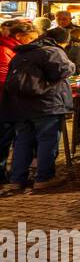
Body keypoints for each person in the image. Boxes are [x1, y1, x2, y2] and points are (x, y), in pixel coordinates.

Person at [1, 21, 74, 193]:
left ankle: (16, 180)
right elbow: (65, 70)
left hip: (21, 107)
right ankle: (44, 177)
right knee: (47, 141)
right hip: (46, 105)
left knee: (22, 142)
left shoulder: (20, 53)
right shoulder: (52, 51)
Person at [0, 21, 20, 183]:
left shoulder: (11, 49)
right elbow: (4, 78)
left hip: (9, 100)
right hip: (5, 101)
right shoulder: (6, 50)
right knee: (4, 137)